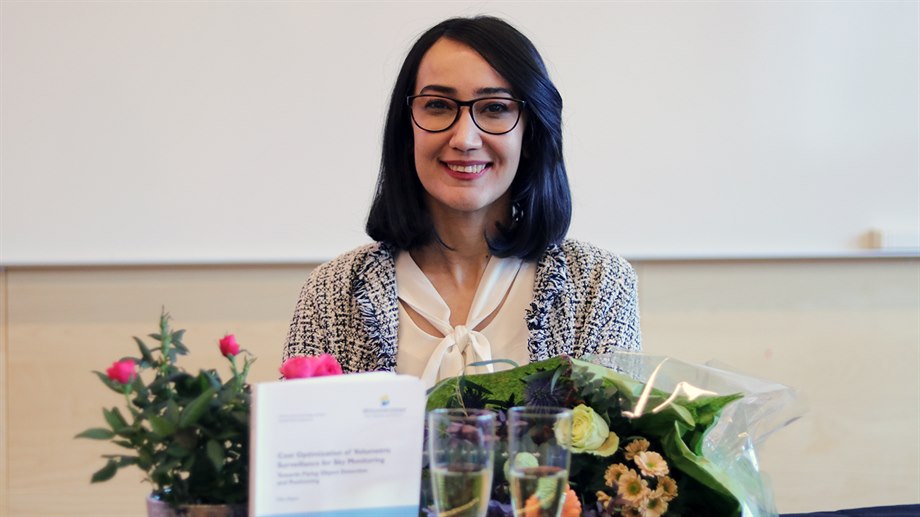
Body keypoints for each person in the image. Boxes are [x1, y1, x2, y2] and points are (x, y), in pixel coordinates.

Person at [284, 16, 640, 388]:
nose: (465, 139)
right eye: (438, 105)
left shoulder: (599, 284)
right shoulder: (331, 292)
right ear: (407, 129)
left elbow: (618, 424)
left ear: (530, 131)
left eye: (494, 108)